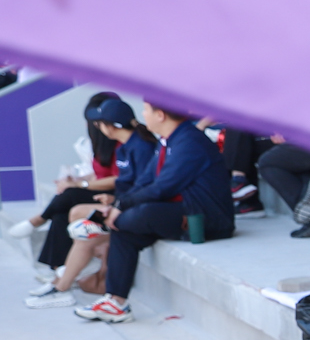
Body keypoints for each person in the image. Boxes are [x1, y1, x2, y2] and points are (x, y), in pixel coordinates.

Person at [75, 100, 236, 324]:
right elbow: (145, 181)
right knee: (124, 232)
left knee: (143, 213)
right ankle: (116, 302)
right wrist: (118, 205)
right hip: (183, 211)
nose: (143, 115)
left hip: (205, 219)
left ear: (160, 115)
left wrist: (120, 208)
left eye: (146, 110)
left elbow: (162, 188)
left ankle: (99, 228)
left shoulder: (189, 141)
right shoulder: (167, 140)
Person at [22, 96, 156, 309]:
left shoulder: (141, 147)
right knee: (81, 226)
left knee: (80, 219)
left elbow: (146, 188)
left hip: (139, 210)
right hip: (125, 205)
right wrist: (112, 199)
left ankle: (65, 282)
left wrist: (116, 203)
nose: (95, 127)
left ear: (110, 126)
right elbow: (128, 184)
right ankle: (62, 284)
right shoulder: (125, 147)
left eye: (99, 123)